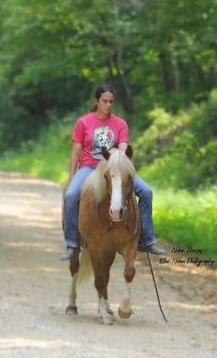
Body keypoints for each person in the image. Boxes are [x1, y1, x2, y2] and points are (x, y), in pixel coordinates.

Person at [60, 84, 167, 260]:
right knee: (71, 194)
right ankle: (72, 243)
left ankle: (147, 240)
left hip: (114, 167)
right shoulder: (83, 122)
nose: (108, 105)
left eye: (111, 101)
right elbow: (76, 152)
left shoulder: (120, 124)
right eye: (104, 101)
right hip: (89, 166)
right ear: (96, 101)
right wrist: (72, 177)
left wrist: (120, 161)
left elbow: (123, 148)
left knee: (146, 191)